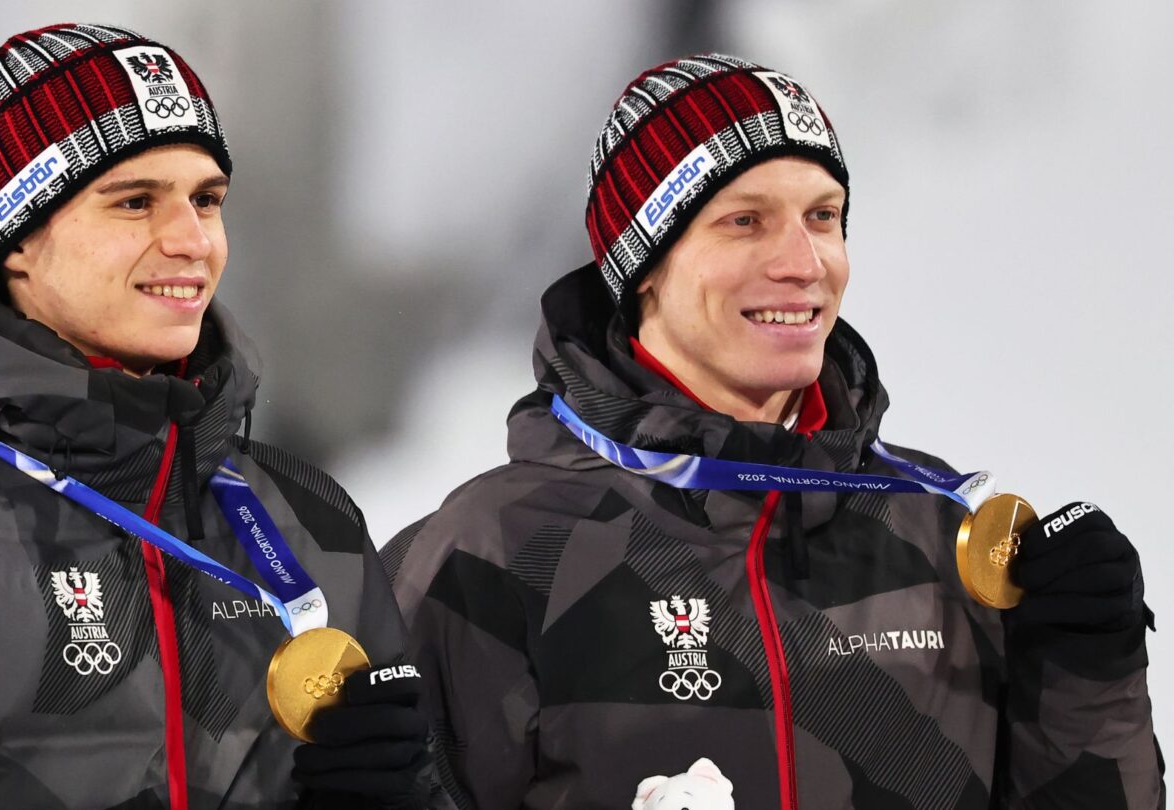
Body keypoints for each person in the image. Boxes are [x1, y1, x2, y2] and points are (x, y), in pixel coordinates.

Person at [383, 54, 1162, 808]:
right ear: (643, 266)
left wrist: (1088, 676)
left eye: (823, 217)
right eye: (745, 221)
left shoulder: (942, 533)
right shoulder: (487, 554)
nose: (802, 262)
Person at [0, 23, 436, 809]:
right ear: (20, 239)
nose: (191, 241)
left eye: (207, 200)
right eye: (135, 202)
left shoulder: (312, 524)